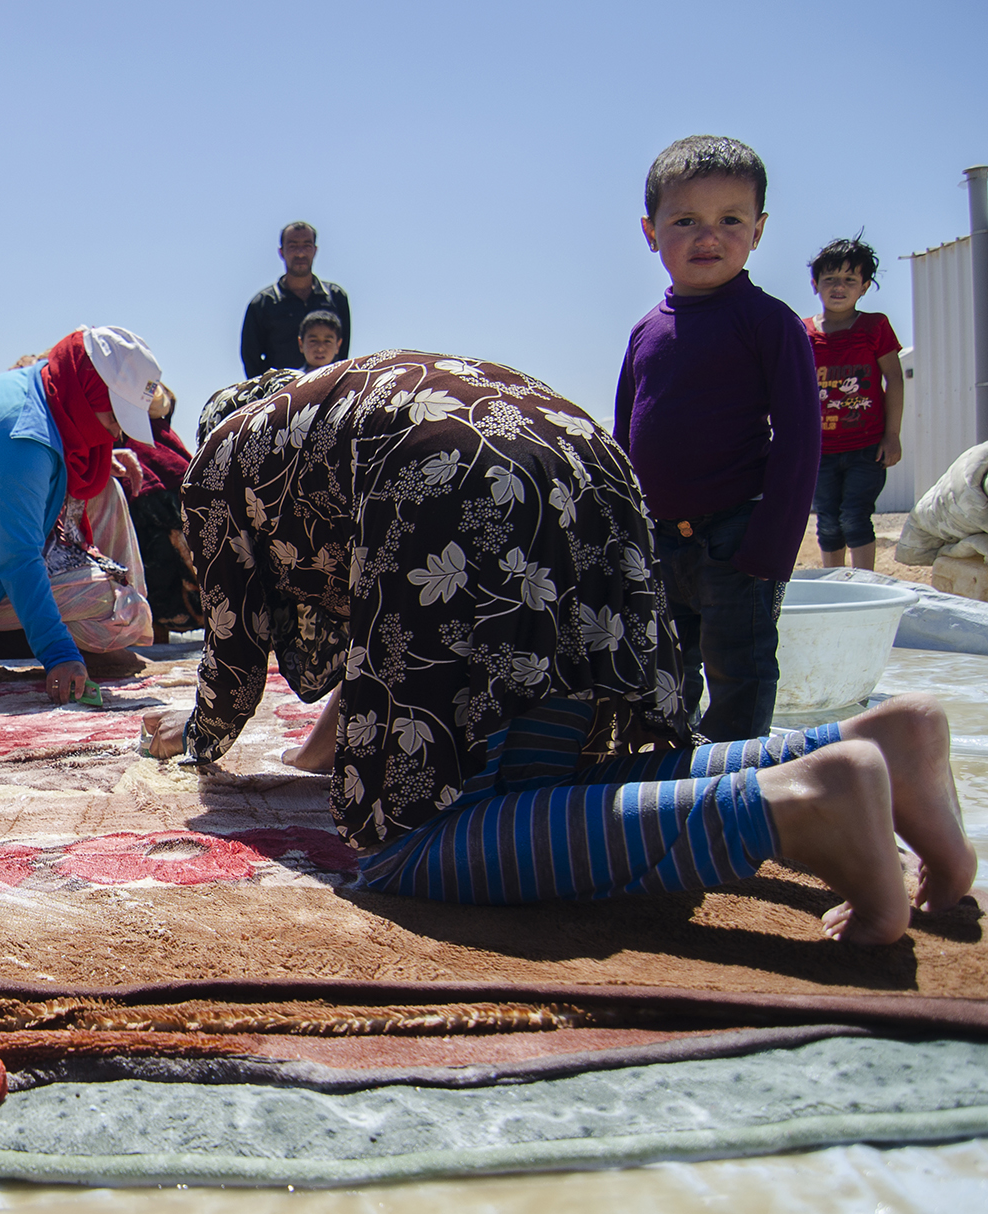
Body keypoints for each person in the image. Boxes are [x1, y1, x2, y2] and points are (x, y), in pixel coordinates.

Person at [141, 354, 974, 946]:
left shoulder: (222, 457)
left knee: (406, 846)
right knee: (543, 789)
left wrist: (196, 740)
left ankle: (791, 806)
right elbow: (380, 642)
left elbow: (235, 642)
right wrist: (346, 745)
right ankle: (858, 747)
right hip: (587, 475)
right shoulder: (347, 404)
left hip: (462, 494)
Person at [614, 135, 821, 743]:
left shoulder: (770, 323)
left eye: (730, 220)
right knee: (663, 677)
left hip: (738, 538)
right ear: (651, 232)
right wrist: (628, 534)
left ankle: (732, 800)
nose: (709, 236)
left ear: (757, 230)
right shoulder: (645, 332)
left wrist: (770, 549)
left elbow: (800, 440)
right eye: (686, 220)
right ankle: (666, 783)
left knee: (740, 671)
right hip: (660, 541)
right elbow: (626, 437)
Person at [0, 327, 159, 701]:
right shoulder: (24, 435)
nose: (116, 433)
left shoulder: (42, 388)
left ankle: (90, 629)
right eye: (116, 417)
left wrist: (99, 459)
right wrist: (59, 653)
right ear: (87, 389)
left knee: (105, 488)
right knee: (124, 609)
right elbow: (19, 559)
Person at [806, 236, 905, 571]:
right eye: (830, 278)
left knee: (855, 517)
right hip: (820, 451)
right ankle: (834, 586)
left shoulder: (875, 326)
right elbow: (787, 390)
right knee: (828, 521)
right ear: (815, 283)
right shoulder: (801, 333)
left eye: (850, 280)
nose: (839, 286)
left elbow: (894, 378)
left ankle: (866, 586)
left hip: (867, 448)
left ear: (863, 287)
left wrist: (892, 436)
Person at [120, 383, 202, 641]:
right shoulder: (161, 432)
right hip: (171, 495)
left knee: (152, 576)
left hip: (150, 498)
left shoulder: (131, 428)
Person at [240, 222, 352, 377]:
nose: (300, 253)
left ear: (315, 250)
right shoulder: (262, 304)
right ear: (281, 252)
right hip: (279, 394)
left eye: (307, 245)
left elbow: (343, 353)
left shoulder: (336, 297)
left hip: (326, 391)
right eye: (293, 246)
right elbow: (250, 358)